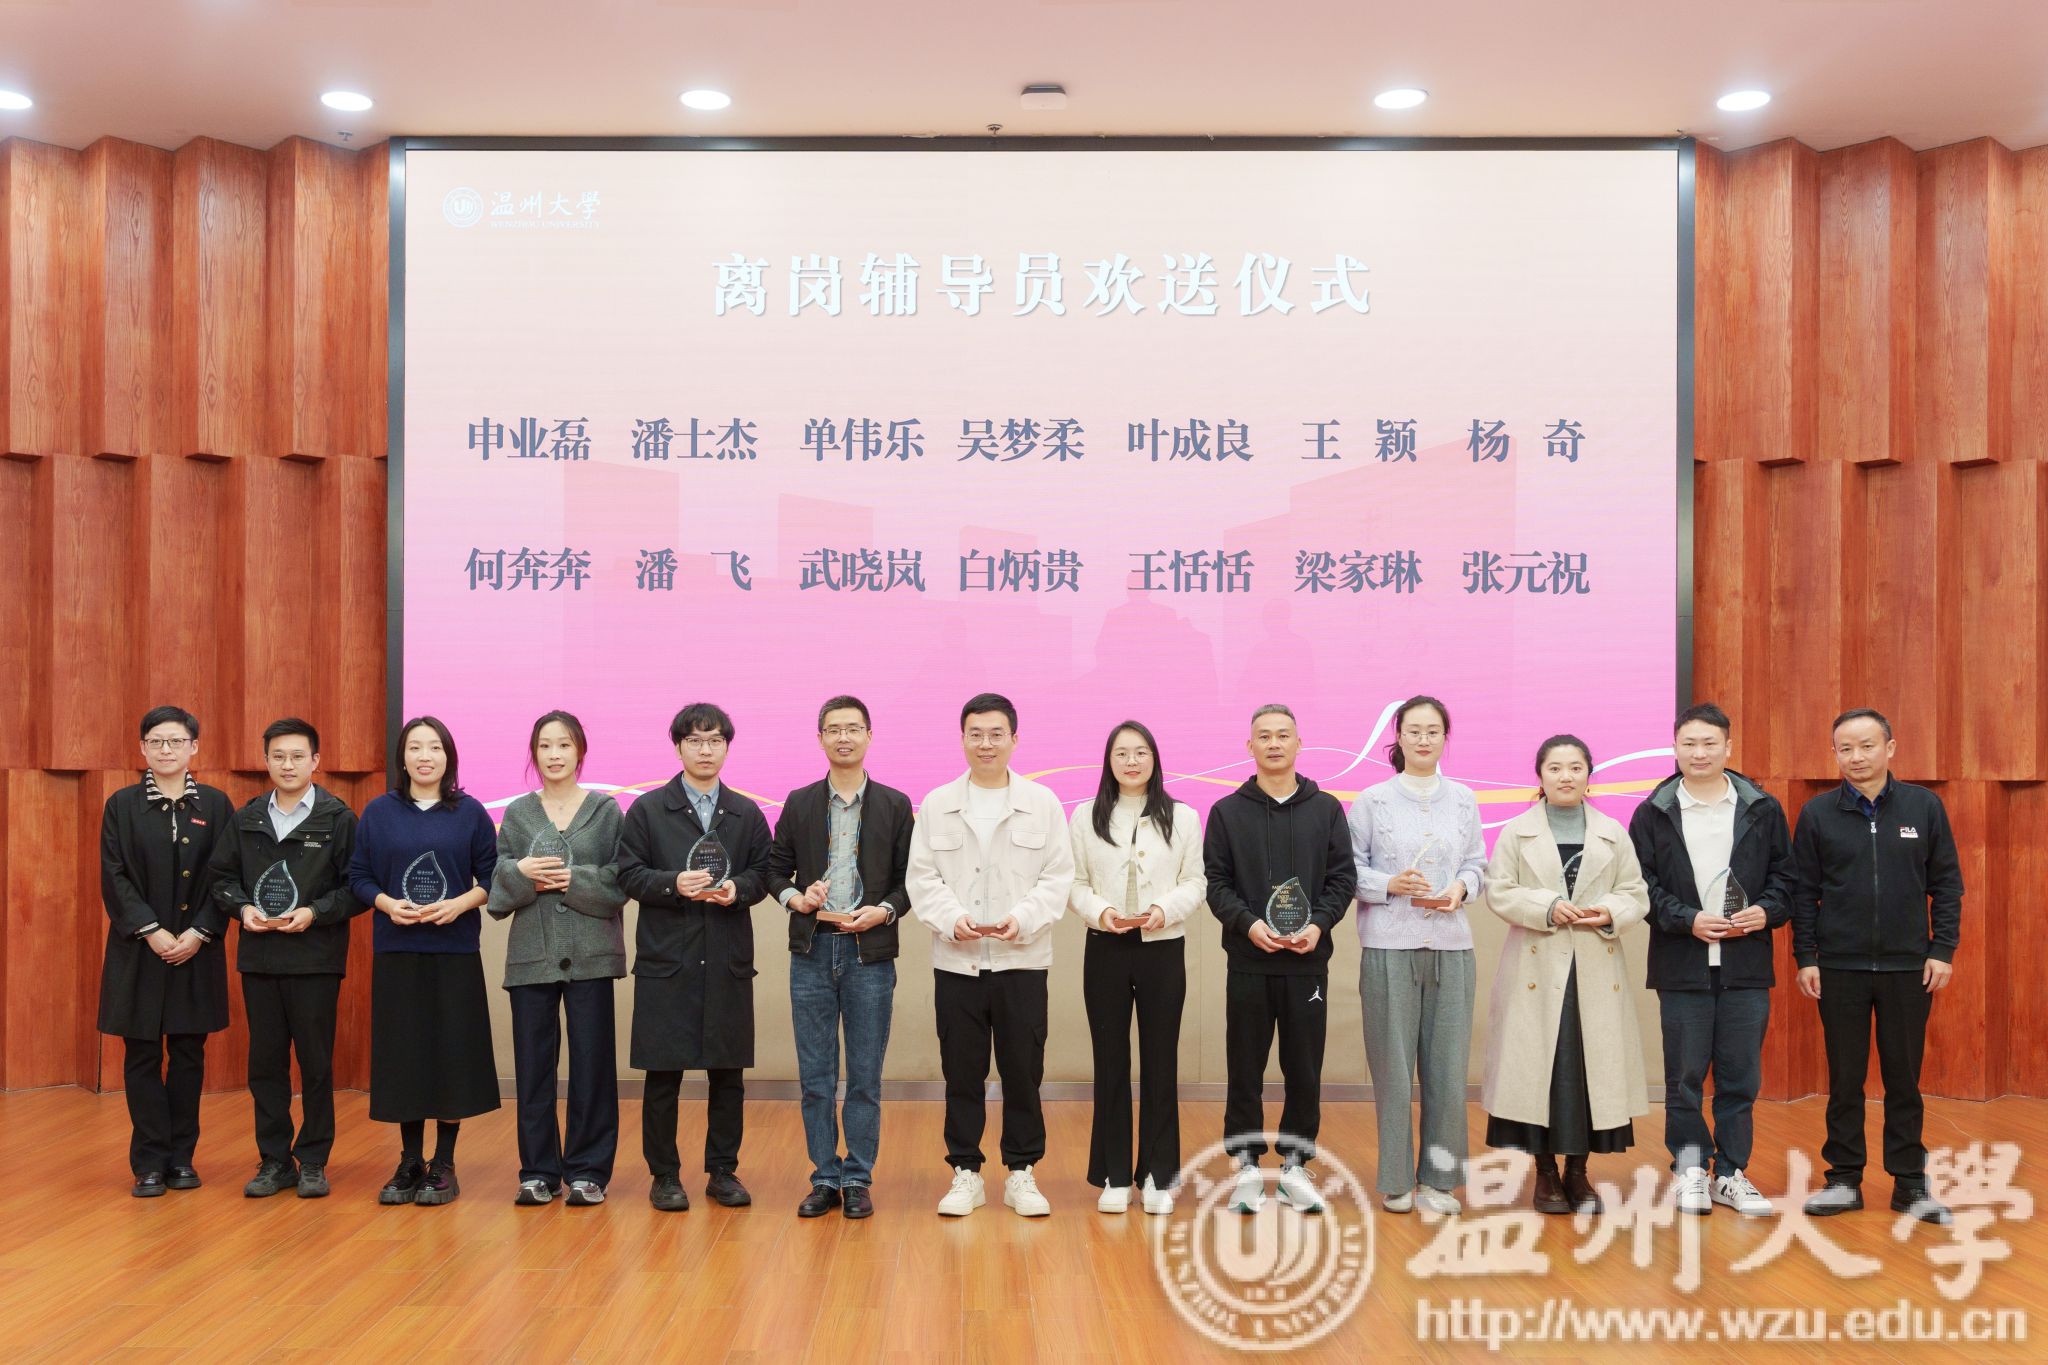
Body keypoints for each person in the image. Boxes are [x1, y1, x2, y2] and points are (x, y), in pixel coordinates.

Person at [908, 692, 1076, 1219]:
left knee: (1023, 1071)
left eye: (996, 734)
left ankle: (1021, 1171)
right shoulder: (937, 803)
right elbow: (922, 877)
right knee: (962, 1073)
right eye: (976, 734)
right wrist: (951, 918)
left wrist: (1022, 919)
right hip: (957, 962)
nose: (986, 743)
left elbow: (1058, 876)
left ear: (1014, 739)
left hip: (1021, 961)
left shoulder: (1042, 803)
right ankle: (966, 1172)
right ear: (962, 739)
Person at [1794, 708, 1962, 1226]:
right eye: (1845, 748)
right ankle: (1843, 1179)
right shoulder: (1817, 814)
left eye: (1867, 746)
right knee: (1845, 1079)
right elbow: (1803, 893)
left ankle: (1909, 1184)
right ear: (1834, 754)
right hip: (1838, 967)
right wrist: (1807, 957)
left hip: (1908, 967)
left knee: (1903, 1080)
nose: (1856, 757)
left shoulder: (1923, 806)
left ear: (1890, 748)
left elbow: (1947, 885)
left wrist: (1942, 949)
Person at [1627, 702, 1794, 1218]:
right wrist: (1688, 919)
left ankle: (1731, 1173)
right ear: (1675, 747)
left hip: (1746, 964)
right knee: (1684, 1077)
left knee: (1740, 1076)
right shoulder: (1653, 812)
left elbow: (1787, 879)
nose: (1699, 753)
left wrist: (1767, 910)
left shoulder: (1761, 808)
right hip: (1682, 963)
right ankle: (1691, 1170)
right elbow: (1639, 886)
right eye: (1689, 744)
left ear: (1728, 747)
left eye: (1709, 743)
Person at [1481, 734, 1651, 1214]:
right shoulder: (1517, 832)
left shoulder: (1612, 832)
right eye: (1555, 768)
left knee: (1589, 1073)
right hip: (1535, 967)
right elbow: (1499, 889)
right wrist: (1546, 906)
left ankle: (1578, 1173)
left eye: (1575, 767)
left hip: (1594, 966)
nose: (1565, 776)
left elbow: (1635, 892)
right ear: (1540, 775)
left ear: (1589, 774)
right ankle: (1546, 1174)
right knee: (1540, 1073)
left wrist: (1609, 910)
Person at [617, 702, 772, 1213]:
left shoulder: (746, 812)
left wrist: (737, 889)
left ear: (727, 747)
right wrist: (672, 883)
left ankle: (722, 1172)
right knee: (663, 1075)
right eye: (695, 741)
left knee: (728, 1074)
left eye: (715, 741)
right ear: (679, 747)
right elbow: (627, 874)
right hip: (668, 962)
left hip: (726, 959)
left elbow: (763, 873)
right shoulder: (647, 810)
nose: (705, 750)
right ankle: (664, 1174)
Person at [766, 695, 914, 1221]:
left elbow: (910, 882)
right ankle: (824, 1176)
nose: (843, 737)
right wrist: (796, 899)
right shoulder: (800, 802)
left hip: (869, 953)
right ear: (821, 738)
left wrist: (884, 911)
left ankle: (857, 1178)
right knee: (816, 1077)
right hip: (812, 948)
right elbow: (774, 870)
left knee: (866, 1076)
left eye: (853, 728)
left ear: (869, 735)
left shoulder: (895, 804)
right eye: (833, 729)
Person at [1204, 703, 1355, 1216]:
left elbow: (1342, 879)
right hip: (1249, 961)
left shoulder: (1326, 809)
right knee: (1244, 1066)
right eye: (1264, 736)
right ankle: (1245, 1163)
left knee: (1304, 1068)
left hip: (1307, 964)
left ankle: (1295, 1164)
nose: (1274, 743)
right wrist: (1248, 924)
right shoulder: (1227, 812)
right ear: (1249, 746)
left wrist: (1318, 924)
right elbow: (1216, 884)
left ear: (1298, 743)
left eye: (1283, 735)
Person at [348, 715, 501, 1207]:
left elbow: (493, 876)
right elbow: (359, 876)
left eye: (434, 747)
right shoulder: (379, 812)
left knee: (452, 1054)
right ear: (403, 757)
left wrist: (460, 904)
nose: (424, 756)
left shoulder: (470, 812)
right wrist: (387, 904)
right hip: (398, 950)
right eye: (415, 747)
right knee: (405, 1056)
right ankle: (410, 1160)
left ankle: (444, 1163)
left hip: (454, 951)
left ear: (448, 756)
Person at [207, 717, 362, 1199]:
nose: (288, 764)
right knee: (266, 1064)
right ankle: (275, 1160)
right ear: (266, 761)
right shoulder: (247, 817)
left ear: (316, 761)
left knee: (315, 1063)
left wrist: (314, 912)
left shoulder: (338, 819)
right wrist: (242, 909)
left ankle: (312, 1159)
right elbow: (221, 878)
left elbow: (356, 887)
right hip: (260, 958)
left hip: (315, 959)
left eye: (297, 756)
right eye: (278, 756)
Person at [1348, 695, 1486, 1215]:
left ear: (1445, 738)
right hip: (1388, 946)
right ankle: (1396, 1180)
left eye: (1433, 731)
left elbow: (1476, 864)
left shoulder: (1464, 800)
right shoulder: (1372, 801)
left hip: (1452, 947)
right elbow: (1348, 870)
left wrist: (1462, 889)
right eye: (1414, 730)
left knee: (1448, 1071)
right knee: (1392, 1070)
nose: (1424, 739)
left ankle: (1439, 1181)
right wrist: (1390, 883)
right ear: (1398, 737)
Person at [487, 710, 626, 1208]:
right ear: (534, 753)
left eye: (564, 744)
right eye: (545, 745)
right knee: (533, 1068)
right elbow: (498, 889)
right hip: (532, 956)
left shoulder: (606, 811)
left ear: (580, 751)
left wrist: (573, 880)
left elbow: (621, 881)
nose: (554, 754)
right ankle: (538, 1173)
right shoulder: (518, 814)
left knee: (592, 1066)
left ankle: (588, 1172)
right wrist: (521, 872)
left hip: (592, 955)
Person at [97, 705, 235, 1197]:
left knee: (188, 1053)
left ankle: (181, 1159)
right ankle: (149, 1162)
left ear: (194, 747)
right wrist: (151, 930)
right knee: (140, 1054)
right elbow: (114, 876)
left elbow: (225, 877)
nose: (166, 750)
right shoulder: (122, 805)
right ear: (142, 748)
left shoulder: (216, 805)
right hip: (139, 949)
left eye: (176, 741)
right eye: (156, 741)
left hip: (196, 949)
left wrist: (199, 932)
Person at [1068, 720, 1205, 1216]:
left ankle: (1157, 1177)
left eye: (1141, 752)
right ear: (1108, 761)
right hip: (1105, 946)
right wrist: (1100, 912)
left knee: (1160, 1062)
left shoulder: (1183, 816)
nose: (1131, 761)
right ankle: (1114, 1176)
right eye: (1122, 753)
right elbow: (1074, 883)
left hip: (1161, 948)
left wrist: (1162, 911)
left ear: (1154, 759)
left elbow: (1196, 881)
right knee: (1110, 1062)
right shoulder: (1085, 815)